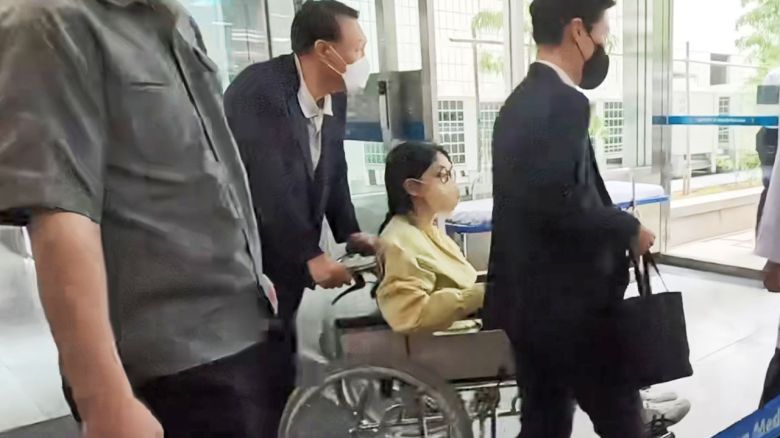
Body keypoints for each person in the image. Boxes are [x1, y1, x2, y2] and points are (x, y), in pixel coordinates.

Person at [0, 1, 282, 436]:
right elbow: (60, 217)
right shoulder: (48, 20)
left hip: (240, 334)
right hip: (166, 368)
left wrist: (251, 271)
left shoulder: (175, 19)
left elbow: (209, 169)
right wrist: (104, 400)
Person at [484, 0, 656, 437]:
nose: (603, 45)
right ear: (578, 32)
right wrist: (627, 227)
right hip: (573, 308)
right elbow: (561, 206)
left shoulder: (520, 101)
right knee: (621, 422)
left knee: (545, 423)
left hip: (531, 305)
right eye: (603, 34)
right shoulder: (563, 103)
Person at [223, 0, 378, 419]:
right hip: (244, 258)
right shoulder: (259, 93)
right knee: (251, 369)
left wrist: (350, 233)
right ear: (325, 50)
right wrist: (310, 255)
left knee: (280, 360)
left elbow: (334, 168)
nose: (364, 60)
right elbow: (268, 184)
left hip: (284, 258)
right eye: (358, 49)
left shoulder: (334, 98)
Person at [375, 142, 485, 334]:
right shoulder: (398, 242)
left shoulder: (429, 231)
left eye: (451, 175)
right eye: (443, 176)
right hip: (447, 345)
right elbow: (411, 315)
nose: (453, 185)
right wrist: (478, 295)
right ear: (413, 187)